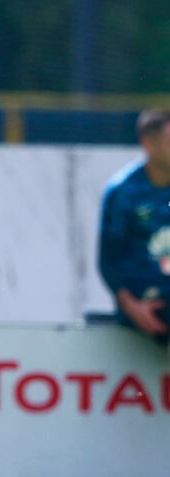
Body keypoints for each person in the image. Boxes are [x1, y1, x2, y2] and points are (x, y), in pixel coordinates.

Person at [98, 108, 170, 350]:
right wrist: (133, 308)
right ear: (148, 143)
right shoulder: (123, 191)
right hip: (141, 303)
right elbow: (108, 260)